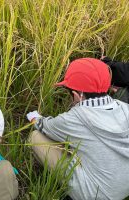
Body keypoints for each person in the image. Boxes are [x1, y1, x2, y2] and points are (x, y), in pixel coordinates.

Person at [27, 58, 129, 200]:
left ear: (76, 95)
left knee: (35, 137)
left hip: (97, 195)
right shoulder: (124, 108)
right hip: (125, 188)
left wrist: (33, 117)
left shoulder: (74, 119)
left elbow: (43, 125)